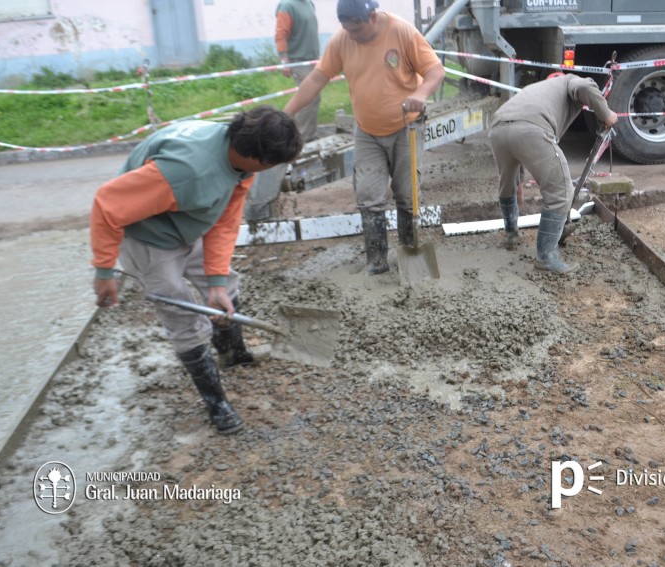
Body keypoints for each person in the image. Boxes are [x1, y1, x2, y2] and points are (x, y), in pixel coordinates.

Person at [90, 106, 302, 434]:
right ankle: (216, 403)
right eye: (270, 165)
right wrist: (104, 271)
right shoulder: (186, 170)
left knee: (226, 287)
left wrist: (215, 281)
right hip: (149, 237)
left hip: (189, 221)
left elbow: (225, 218)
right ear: (254, 156)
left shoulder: (241, 162)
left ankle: (233, 353)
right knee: (180, 313)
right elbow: (107, 204)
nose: (271, 169)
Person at [283, 0, 445, 275]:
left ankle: (409, 249)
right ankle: (377, 261)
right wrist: (287, 113)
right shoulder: (342, 40)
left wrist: (420, 93)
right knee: (368, 195)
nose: (352, 36)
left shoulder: (401, 31)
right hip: (367, 131)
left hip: (406, 127)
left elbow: (435, 70)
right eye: (347, 30)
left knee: (407, 195)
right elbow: (316, 78)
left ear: (371, 16)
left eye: (356, 30)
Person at [488, 72, 618, 273]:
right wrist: (606, 113)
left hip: (498, 129)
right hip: (531, 128)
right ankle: (546, 257)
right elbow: (585, 88)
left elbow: (516, 131)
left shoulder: (535, 90)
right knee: (561, 192)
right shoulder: (569, 80)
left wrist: (518, 180)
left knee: (509, 186)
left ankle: (511, 235)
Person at [275, 0, 321, 142]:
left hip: (312, 59)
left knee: (312, 98)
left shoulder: (309, 3)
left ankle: (304, 133)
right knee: (309, 98)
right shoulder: (287, 6)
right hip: (299, 60)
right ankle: (303, 136)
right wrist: (284, 59)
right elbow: (281, 34)